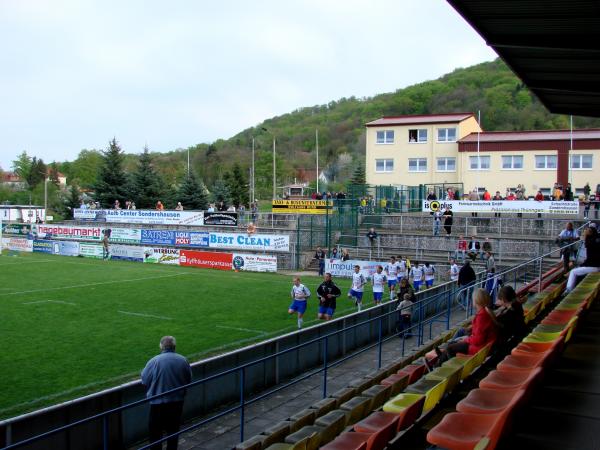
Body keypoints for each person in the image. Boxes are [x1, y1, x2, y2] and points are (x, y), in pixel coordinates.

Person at [141, 336, 192, 450]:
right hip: (176, 403)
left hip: (157, 404)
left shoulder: (154, 361)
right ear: (174, 346)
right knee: (173, 432)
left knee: (155, 434)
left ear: (161, 346)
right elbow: (188, 380)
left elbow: (144, 380)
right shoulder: (183, 360)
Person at [436, 289, 497, 359]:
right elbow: (481, 331)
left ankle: (437, 364)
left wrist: (466, 339)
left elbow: (479, 340)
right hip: (483, 345)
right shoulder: (486, 312)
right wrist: (471, 330)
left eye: (473, 299)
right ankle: (442, 357)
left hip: (479, 347)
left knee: (451, 348)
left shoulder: (482, 316)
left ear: (477, 301)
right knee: (454, 342)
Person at [565, 225, 600, 293]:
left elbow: (590, 261)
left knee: (573, 272)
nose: (584, 234)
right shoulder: (596, 241)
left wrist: (579, 265)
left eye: (585, 232)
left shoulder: (591, 244)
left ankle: (568, 290)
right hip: (596, 265)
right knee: (576, 269)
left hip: (595, 267)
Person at [490, 285, 526, 350]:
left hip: (514, 339)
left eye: (499, 299)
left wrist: (493, 318)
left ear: (503, 300)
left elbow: (500, 325)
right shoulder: (517, 304)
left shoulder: (510, 312)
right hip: (521, 332)